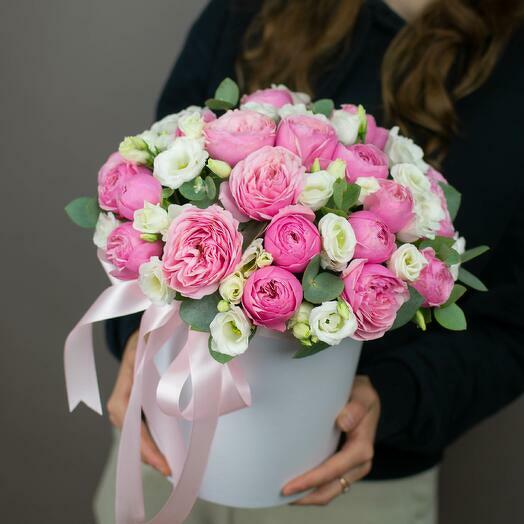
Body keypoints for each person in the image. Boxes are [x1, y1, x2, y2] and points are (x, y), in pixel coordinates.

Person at [95, 1, 524, 523]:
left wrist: (396, 397)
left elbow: (512, 327)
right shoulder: (251, 10)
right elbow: (146, 197)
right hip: (168, 439)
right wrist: (138, 341)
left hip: (348, 486)